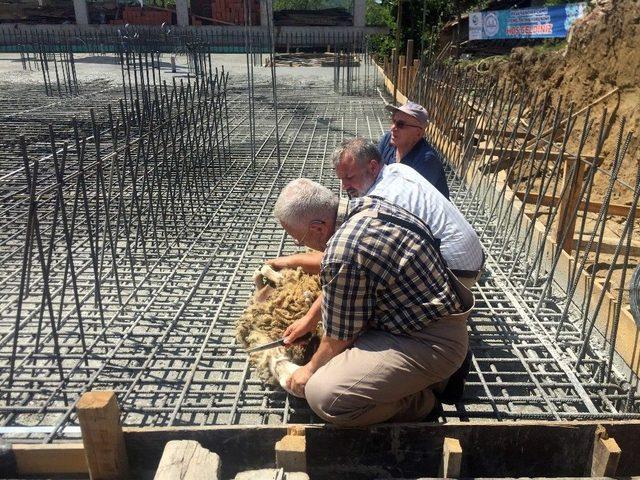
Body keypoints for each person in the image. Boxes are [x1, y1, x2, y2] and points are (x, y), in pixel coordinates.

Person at [272, 178, 474, 426]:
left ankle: (422, 402)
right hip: (421, 321)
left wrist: (309, 370)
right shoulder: (370, 206)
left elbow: (338, 338)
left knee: (323, 396)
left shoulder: (345, 250)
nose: (299, 245)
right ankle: (427, 379)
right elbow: (346, 280)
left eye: (299, 239)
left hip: (429, 342)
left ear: (317, 227)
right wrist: (309, 319)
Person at [379, 101, 449, 199]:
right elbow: (371, 172)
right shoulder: (388, 139)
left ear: (418, 133)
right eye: (393, 121)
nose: (393, 128)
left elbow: (408, 200)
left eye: (400, 124)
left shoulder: (427, 161)